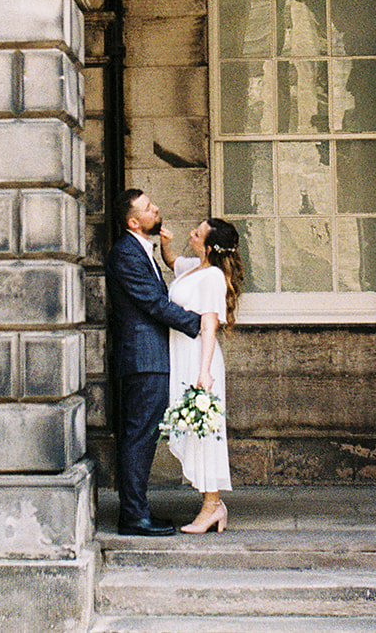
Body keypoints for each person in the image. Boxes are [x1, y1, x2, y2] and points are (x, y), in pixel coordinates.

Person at [104, 188, 202, 536]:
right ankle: (133, 516)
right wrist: (198, 322)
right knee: (139, 437)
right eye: (148, 207)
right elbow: (153, 303)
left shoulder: (143, 249)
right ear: (134, 221)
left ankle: (137, 510)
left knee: (143, 436)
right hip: (142, 358)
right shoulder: (125, 253)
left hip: (151, 356)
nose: (156, 207)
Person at [160, 217, 241, 533]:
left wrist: (204, 372)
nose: (191, 234)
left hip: (198, 357)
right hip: (182, 355)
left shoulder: (212, 278)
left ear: (209, 246)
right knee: (193, 429)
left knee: (206, 431)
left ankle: (213, 506)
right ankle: (211, 503)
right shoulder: (193, 267)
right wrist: (164, 242)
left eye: (197, 233)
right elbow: (170, 262)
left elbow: (210, 325)